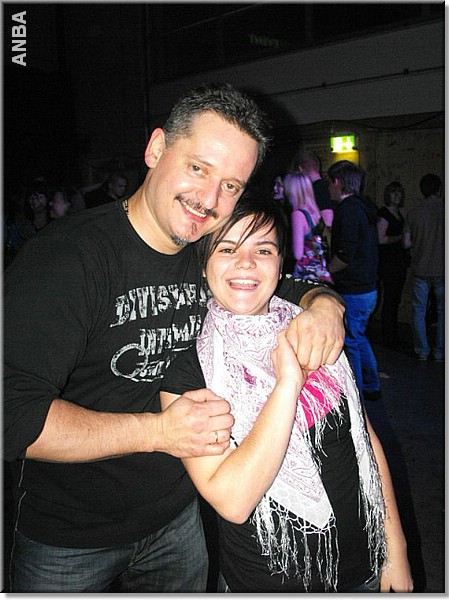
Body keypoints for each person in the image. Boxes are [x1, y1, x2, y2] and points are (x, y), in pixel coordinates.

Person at [4, 82, 346, 593]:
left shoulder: (203, 251)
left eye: (231, 185)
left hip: (177, 520)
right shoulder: (68, 259)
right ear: (156, 149)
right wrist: (159, 432)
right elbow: (11, 415)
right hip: (70, 536)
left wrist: (325, 303)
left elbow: (278, 284)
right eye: (198, 168)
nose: (210, 200)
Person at [160, 194, 413, 593]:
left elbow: (364, 440)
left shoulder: (313, 330)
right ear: (204, 265)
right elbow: (232, 500)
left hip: (364, 567)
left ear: (280, 266)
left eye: (263, 250)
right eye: (227, 249)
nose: (246, 263)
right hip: (267, 582)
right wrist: (287, 385)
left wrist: (395, 549)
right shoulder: (188, 372)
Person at [327, 160, 381, 402]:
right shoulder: (363, 206)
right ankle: (371, 385)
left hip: (355, 288)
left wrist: (326, 272)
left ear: (337, 182)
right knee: (358, 337)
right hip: (367, 287)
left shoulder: (348, 209)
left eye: (330, 182)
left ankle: (356, 395)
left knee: (352, 343)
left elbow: (345, 255)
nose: (329, 188)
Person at [403, 173, 444, 361]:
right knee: (443, 311)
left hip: (420, 268)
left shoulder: (413, 213)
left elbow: (406, 243)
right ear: (439, 189)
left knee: (419, 311)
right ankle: (440, 350)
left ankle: (422, 350)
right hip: (443, 269)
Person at [284, 171, 333, 284]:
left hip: (306, 274)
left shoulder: (298, 215)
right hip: (321, 270)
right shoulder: (315, 211)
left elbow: (298, 254)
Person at [377, 181, 410, 347]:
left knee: (394, 299)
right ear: (388, 195)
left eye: (399, 192)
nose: (397, 195)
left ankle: (391, 334)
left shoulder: (398, 214)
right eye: (393, 192)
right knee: (390, 299)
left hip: (398, 262)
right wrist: (400, 237)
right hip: (389, 263)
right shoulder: (384, 214)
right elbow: (380, 239)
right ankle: (388, 336)